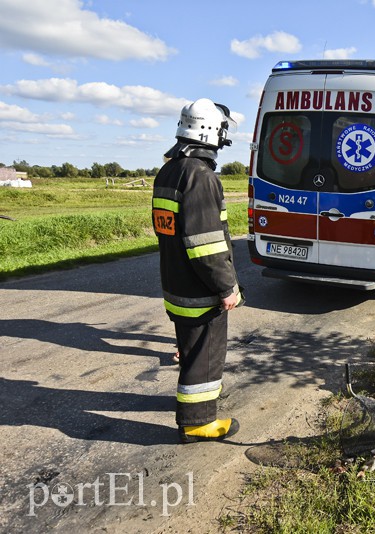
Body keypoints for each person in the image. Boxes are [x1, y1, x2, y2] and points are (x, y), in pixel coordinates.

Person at [153, 98, 243, 443]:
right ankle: (197, 422)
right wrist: (227, 287)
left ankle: (194, 403)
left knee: (191, 351)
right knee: (204, 355)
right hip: (200, 289)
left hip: (175, 282)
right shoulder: (200, 176)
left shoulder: (169, 171)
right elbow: (206, 245)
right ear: (211, 131)